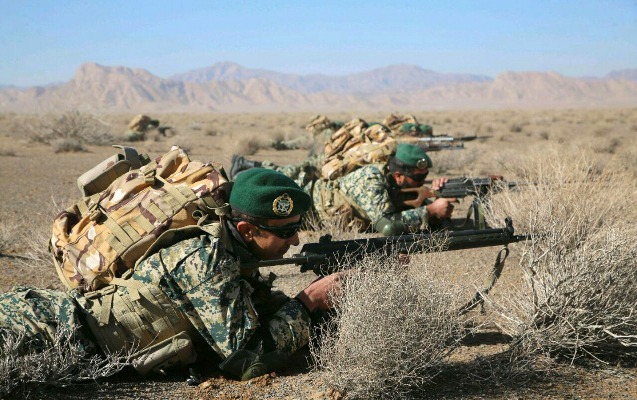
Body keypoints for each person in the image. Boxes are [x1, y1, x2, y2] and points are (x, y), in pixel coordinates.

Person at [0, 168, 341, 386]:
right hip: (44, 329)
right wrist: (309, 300)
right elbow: (248, 360)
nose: (296, 240)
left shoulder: (234, 254)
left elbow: (258, 320)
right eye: (287, 231)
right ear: (247, 230)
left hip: (64, 334)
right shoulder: (206, 258)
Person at [230, 143, 457, 236]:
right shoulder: (371, 179)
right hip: (306, 206)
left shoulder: (394, 182)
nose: (423, 181)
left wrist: (435, 195)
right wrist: (430, 211)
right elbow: (388, 226)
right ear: (398, 175)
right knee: (246, 204)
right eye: (418, 177)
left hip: (315, 207)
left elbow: (404, 204)